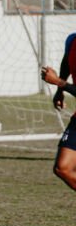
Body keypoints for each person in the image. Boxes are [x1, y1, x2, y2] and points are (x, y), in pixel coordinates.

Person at [41, 31, 76, 190]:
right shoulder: (72, 39)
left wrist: (58, 82)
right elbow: (67, 62)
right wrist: (59, 90)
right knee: (63, 168)